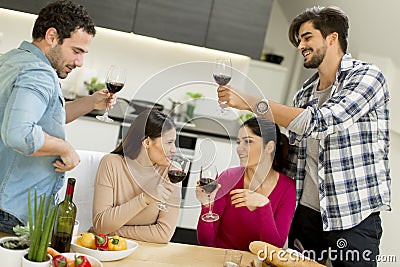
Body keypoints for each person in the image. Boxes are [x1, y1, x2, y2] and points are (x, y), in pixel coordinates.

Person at [217, 6, 390, 266]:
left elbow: (322, 122)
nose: (300, 45)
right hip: (306, 217)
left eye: (307, 37)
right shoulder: (305, 94)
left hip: (351, 216)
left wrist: (251, 102)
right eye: (299, 40)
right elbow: (294, 159)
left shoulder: (367, 77)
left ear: (332, 38)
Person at [0, 0, 116, 234]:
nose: (80, 62)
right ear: (52, 36)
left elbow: (44, 119)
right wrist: (64, 148)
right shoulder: (39, 73)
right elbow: (19, 134)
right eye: (76, 51)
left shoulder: (12, 60)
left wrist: (91, 102)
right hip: (14, 210)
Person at [196, 117, 295, 251]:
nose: (239, 149)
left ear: (269, 147)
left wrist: (263, 206)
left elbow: (274, 248)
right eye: (239, 142)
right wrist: (206, 206)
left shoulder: (287, 188)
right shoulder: (228, 178)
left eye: (248, 142)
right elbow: (206, 242)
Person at [92, 109, 181, 244]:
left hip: (145, 251)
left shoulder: (171, 173)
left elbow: (163, 234)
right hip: (108, 247)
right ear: (147, 143)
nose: (174, 149)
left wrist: (112, 232)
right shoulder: (111, 164)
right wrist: (145, 198)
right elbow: (101, 224)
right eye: (169, 142)